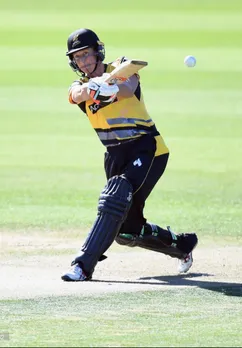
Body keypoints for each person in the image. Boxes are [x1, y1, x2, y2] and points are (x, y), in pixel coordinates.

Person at [61, 28, 198, 282]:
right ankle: (182, 246)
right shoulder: (79, 85)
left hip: (147, 147)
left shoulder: (121, 67)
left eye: (87, 54)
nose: (84, 61)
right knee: (126, 231)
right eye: (78, 58)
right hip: (114, 155)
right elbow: (75, 95)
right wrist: (94, 88)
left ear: (98, 52)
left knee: (115, 196)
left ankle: (82, 266)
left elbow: (129, 86)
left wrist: (109, 87)